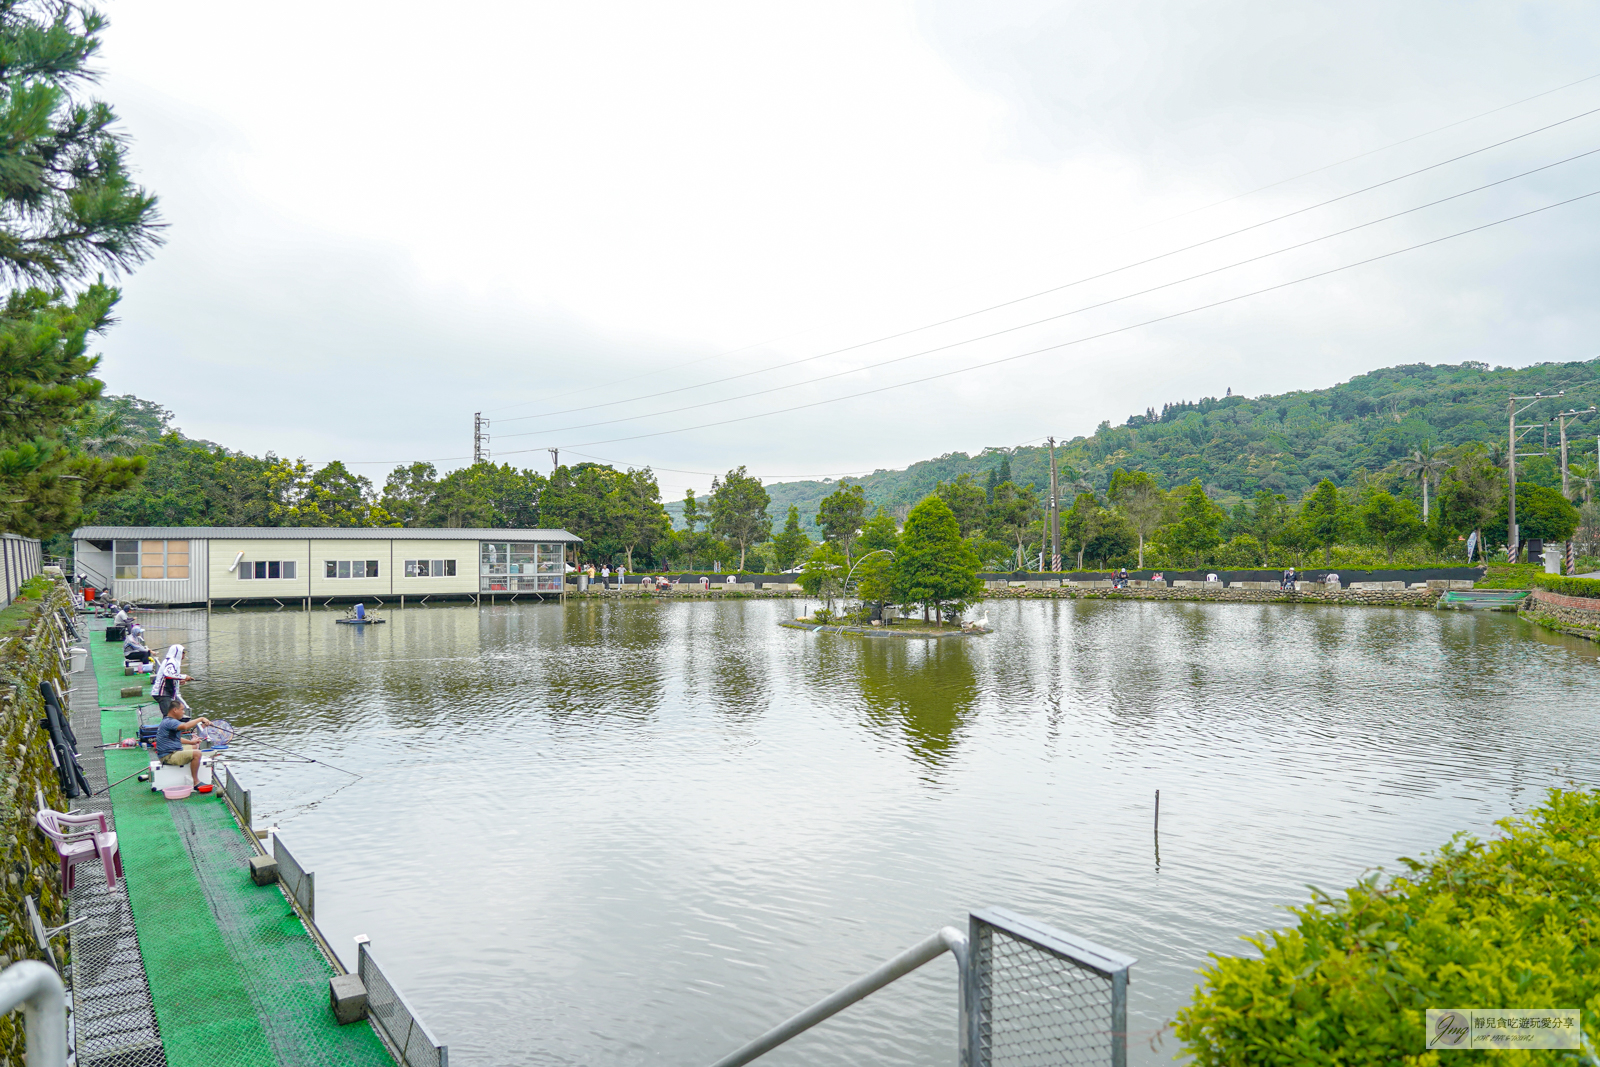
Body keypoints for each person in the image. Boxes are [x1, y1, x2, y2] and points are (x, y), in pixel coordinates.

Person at [154, 700, 212, 790]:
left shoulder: (167, 720)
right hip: (168, 756)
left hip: (172, 751)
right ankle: (196, 782)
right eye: (182, 709)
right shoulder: (170, 722)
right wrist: (201, 719)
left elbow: (175, 738)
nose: (184, 712)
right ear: (175, 710)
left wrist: (192, 742)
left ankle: (192, 768)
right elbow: (185, 726)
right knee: (197, 754)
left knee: (195, 747)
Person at [150, 644, 193, 716]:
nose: (184, 655)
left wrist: (178, 682)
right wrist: (184, 676)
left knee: (170, 716)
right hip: (162, 693)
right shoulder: (171, 661)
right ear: (177, 652)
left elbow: (167, 677)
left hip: (165, 692)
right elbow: (167, 674)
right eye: (183, 653)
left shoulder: (171, 661)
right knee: (169, 716)